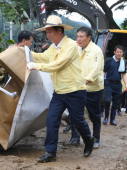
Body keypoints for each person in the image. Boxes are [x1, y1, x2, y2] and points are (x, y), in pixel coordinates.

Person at [26, 15, 95, 163]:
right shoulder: (53, 47)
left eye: (50, 32)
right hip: (59, 92)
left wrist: (35, 66)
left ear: (59, 30)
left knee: (78, 121)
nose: (48, 35)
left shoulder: (70, 46)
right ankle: (50, 152)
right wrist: (26, 53)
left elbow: (58, 64)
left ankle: (88, 139)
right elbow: (44, 58)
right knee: (51, 120)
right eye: (47, 32)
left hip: (75, 91)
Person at [64, 26, 104, 149]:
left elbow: (96, 70)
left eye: (81, 36)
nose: (79, 39)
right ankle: (75, 138)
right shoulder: (75, 48)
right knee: (76, 114)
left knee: (94, 115)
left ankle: (96, 138)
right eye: (77, 36)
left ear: (89, 37)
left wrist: (85, 81)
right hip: (78, 88)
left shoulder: (96, 50)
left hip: (93, 89)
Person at [103, 45, 127, 126]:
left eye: (120, 52)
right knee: (107, 100)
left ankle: (112, 120)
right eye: (117, 52)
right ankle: (106, 117)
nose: (119, 53)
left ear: (122, 53)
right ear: (114, 52)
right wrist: (101, 82)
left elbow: (124, 74)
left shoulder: (123, 62)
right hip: (108, 83)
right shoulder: (109, 61)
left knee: (116, 103)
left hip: (118, 85)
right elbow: (104, 72)